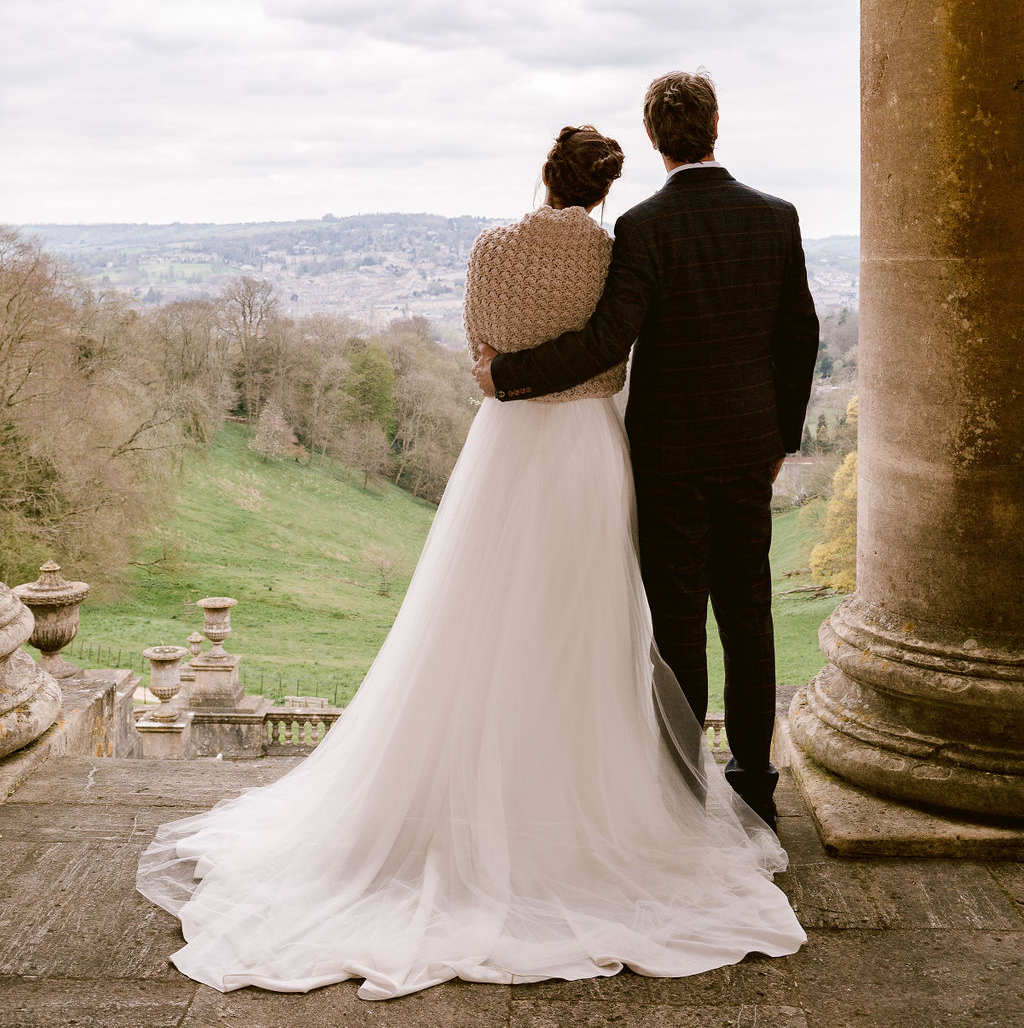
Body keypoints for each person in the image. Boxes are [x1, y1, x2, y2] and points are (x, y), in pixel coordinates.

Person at [136, 122, 806, 1002]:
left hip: (507, 445)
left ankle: (485, 790)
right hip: (590, 451)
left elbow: (480, 343)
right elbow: (618, 339)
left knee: (482, 617)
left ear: (545, 175)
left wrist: (510, 376)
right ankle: (655, 791)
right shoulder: (614, 245)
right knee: (593, 622)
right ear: (605, 186)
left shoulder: (497, 247)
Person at [474, 75, 819, 831]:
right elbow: (799, 338)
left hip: (667, 457)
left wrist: (507, 373)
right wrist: (778, 441)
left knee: (678, 624)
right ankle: (756, 781)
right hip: (745, 452)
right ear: (716, 126)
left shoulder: (645, 227)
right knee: (749, 613)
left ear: (655, 139)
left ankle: (682, 784)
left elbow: (606, 343)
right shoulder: (776, 217)